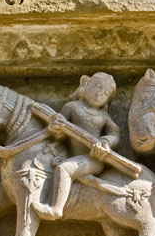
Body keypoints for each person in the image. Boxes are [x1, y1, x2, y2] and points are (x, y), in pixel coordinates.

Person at [31, 73, 121, 220]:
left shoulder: (104, 117)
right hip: (69, 154)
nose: (100, 93)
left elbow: (115, 134)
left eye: (105, 93)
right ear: (85, 85)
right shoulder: (72, 107)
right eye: (98, 86)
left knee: (64, 169)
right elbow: (61, 135)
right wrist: (56, 129)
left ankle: (55, 209)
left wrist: (106, 141)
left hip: (93, 159)